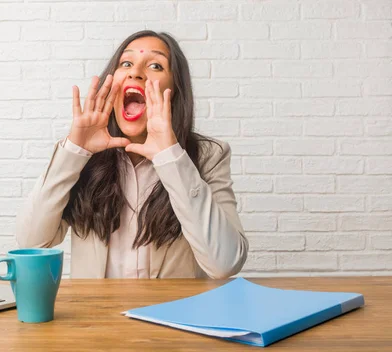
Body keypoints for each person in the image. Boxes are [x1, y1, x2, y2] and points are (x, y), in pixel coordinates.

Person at [15, 30, 248, 279]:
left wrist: (171, 157)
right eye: (126, 63)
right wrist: (74, 150)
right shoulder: (81, 156)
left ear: (175, 91)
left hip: (171, 314)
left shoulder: (210, 156)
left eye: (156, 65)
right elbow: (31, 243)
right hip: (96, 316)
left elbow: (225, 264)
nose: (136, 72)